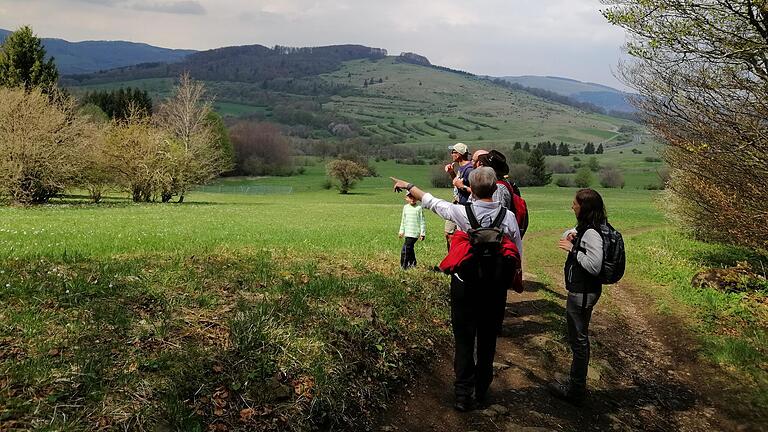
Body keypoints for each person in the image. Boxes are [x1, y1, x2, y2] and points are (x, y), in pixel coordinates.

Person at [391, 168, 522, 412]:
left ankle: (463, 394)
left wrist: (408, 184)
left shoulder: (461, 212)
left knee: (463, 340)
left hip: (465, 285)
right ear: (495, 189)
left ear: (471, 188)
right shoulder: (508, 217)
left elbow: (430, 202)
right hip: (494, 289)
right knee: (487, 340)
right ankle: (482, 389)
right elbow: (517, 252)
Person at [548, 188, 606, 406]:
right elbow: (567, 235)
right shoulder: (592, 227)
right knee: (578, 339)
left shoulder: (591, 232)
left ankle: (576, 390)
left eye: (575, 203)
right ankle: (576, 384)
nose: (572, 206)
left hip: (582, 293)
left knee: (579, 341)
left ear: (584, 207)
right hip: (584, 291)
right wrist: (571, 237)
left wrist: (573, 250)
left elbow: (593, 265)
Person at [443, 143, 473, 250]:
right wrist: (451, 173)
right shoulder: (461, 168)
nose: (451, 154)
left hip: (465, 208)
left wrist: (462, 187)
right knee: (448, 234)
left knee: (463, 237)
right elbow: (457, 183)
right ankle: (452, 259)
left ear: (460, 154)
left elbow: (475, 191)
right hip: (456, 204)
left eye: (453, 152)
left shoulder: (469, 170)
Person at [398, 192, 426, 269]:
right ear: (406, 198)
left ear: (417, 198)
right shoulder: (405, 207)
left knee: (405, 249)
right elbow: (403, 220)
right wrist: (401, 231)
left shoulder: (419, 208)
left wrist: (422, 233)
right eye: (410, 197)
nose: (412, 199)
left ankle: (404, 266)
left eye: (414, 197)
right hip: (407, 232)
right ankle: (413, 263)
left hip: (414, 233)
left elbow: (422, 221)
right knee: (410, 249)